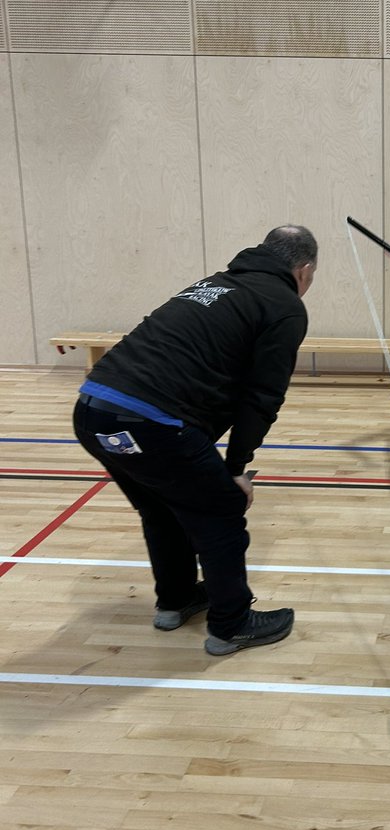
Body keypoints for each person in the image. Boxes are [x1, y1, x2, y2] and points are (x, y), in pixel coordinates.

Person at [72, 225, 317, 657]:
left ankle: (177, 600)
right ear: (304, 270)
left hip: (94, 410)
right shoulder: (284, 305)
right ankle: (232, 624)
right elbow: (261, 398)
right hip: (150, 421)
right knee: (221, 509)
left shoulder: (214, 283)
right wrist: (236, 470)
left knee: (160, 506)